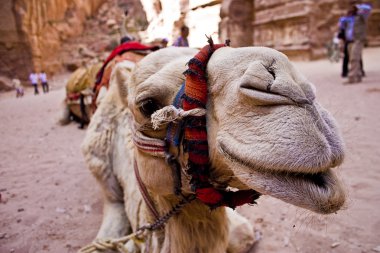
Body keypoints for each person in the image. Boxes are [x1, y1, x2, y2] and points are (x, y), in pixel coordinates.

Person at [346, 2, 372, 84]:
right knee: (354, 58)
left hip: (359, 39)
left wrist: (358, 7)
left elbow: (367, 8)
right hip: (353, 40)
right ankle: (358, 75)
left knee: (354, 58)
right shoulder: (353, 17)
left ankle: (352, 77)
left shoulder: (362, 16)